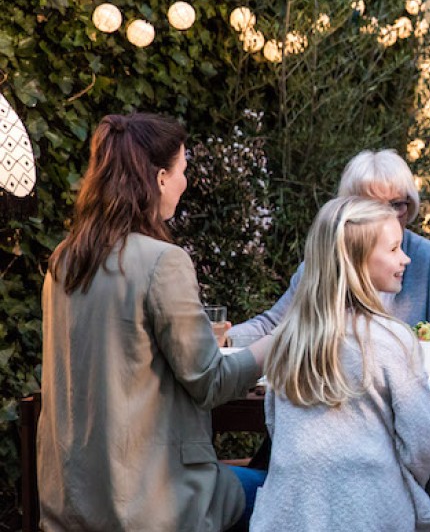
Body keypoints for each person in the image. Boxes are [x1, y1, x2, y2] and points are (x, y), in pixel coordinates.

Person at [38, 113, 272, 531]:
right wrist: (277, 345)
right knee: (283, 493)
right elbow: (211, 382)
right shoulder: (163, 261)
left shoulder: (64, 261)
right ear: (161, 178)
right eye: (183, 170)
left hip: (71, 504)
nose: (186, 182)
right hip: (153, 506)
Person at [250, 196, 430, 531]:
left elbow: (275, 424)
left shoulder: (287, 339)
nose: (405, 258)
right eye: (394, 249)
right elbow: (421, 442)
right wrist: (395, 483)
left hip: (287, 516)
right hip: (372, 515)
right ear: (357, 261)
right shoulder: (394, 339)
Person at [230, 149, 430, 344]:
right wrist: (225, 337)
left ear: (410, 207)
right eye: (372, 206)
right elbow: (275, 324)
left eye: (396, 204)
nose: (386, 215)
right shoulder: (328, 261)